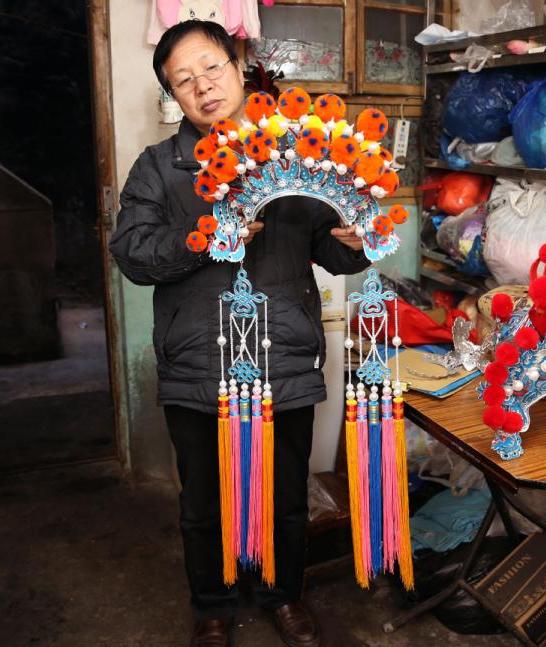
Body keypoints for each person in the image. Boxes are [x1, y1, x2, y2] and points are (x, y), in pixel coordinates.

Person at [108, 19, 369, 647]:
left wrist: (357, 244)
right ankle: (213, 606)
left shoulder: (297, 153)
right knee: (202, 501)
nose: (203, 87)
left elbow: (334, 254)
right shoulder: (158, 168)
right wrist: (207, 237)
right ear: (174, 95)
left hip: (284, 358)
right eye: (184, 80)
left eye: (212, 68)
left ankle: (283, 596)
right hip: (199, 362)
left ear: (238, 66)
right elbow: (133, 254)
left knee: (285, 498)